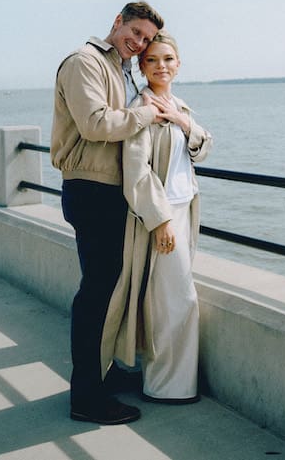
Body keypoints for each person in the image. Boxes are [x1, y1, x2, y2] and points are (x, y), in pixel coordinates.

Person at [51, 1, 165, 425]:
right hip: (90, 189)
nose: (138, 43)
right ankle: (86, 397)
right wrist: (146, 113)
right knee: (96, 293)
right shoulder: (85, 62)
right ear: (117, 22)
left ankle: (103, 373)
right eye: (135, 33)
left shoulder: (122, 67)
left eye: (146, 40)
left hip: (110, 190)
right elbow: (96, 123)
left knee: (109, 290)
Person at [101, 31, 212, 404]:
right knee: (176, 300)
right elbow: (137, 172)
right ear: (142, 66)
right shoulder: (141, 109)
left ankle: (169, 383)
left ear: (178, 65)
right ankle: (167, 386)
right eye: (152, 60)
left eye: (167, 59)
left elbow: (204, 147)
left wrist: (182, 122)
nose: (160, 66)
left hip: (185, 210)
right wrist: (160, 221)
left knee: (172, 298)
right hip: (161, 218)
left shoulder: (179, 106)